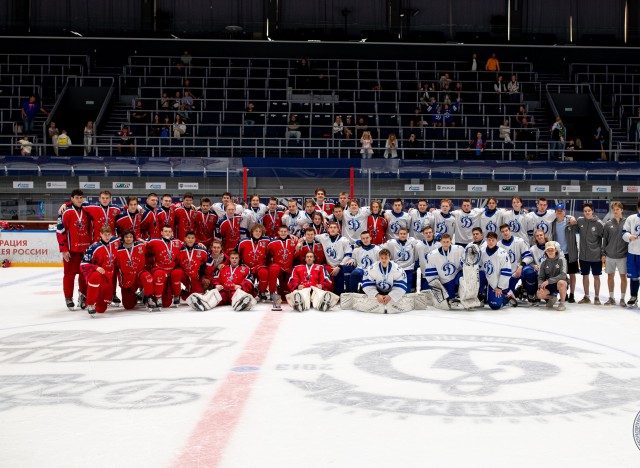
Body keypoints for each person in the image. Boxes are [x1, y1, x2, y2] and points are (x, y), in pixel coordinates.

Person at [187, 251, 256, 312]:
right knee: (214, 295)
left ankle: (241, 304)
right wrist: (216, 285)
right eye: (232, 258)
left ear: (239, 259)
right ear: (229, 259)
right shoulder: (223, 268)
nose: (234, 260)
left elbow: (249, 280)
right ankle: (202, 303)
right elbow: (215, 278)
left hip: (235, 291)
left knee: (239, 294)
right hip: (224, 291)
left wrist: (241, 286)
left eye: (236, 258)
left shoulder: (246, 268)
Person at [57, 189, 91, 310]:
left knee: (84, 274)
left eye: (81, 197)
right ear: (72, 199)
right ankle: (68, 297)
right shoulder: (66, 211)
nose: (79, 200)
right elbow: (60, 231)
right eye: (76, 198)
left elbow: (104, 206)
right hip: (71, 249)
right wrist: (64, 249)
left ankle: (82, 295)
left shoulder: (87, 209)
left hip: (86, 249)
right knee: (69, 275)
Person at [350, 248, 412, 314]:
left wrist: (391, 296)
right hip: (377, 290)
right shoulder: (372, 268)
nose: (384, 260)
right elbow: (367, 284)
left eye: (386, 258)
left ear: (389, 258)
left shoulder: (397, 269)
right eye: (382, 258)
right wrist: (376, 295)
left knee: (400, 298)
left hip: (391, 291)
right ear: (379, 258)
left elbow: (401, 285)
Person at [80, 225, 120, 316]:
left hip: (107, 276)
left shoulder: (114, 244)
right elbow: (83, 264)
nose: (107, 237)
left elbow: (128, 238)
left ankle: (91, 299)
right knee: (96, 276)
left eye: (109, 234)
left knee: (101, 309)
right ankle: (90, 303)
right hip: (96, 275)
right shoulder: (93, 247)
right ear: (100, 234)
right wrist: (95, 268)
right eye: (105, 234)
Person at [145, 225, 184, 308]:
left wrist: (198, 244)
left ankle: (177, 295)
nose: (168, 233)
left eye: (170, 231)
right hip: (159, 268)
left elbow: (188, 244)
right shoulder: (155, 241)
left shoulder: (177, 242)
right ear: (161, 233)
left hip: (171, 269)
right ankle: (158, 297)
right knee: (159, 273)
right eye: (166, 231)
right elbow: (144, 243)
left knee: (177, 272)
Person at [115, 229, 154, 311]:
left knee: (147, 277)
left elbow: (152, 247)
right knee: (128, 306)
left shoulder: (141, 245)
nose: (129, 239)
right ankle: (136, 296)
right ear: (123, 238)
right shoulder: (118, 249)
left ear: (134, 238)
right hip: (127, 278)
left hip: (139, 274)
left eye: (130, 237)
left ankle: (148, 297)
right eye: (126, 237)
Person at [574, 203, 604, 305]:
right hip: (583, 256)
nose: (587, 212)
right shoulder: (580, 221)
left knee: (596, 276)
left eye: (589, 211)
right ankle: (586, 296)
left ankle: (596, 297)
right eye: (585, 211)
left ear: (592, 211)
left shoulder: (599, 224)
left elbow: (604, 239)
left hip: (596, 256)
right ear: (583, 212)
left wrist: (603, 253)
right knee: (585, 276)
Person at [423, 233, 464, 303]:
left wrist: (461, 275)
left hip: (457, 276)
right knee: (448, 299)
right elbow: (431, 275)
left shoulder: (459, 250)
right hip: (444, 280)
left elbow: (467, 266)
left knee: (463, 279)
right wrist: (438, 287)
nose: (446, 244)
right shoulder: (432, 255)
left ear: (451, 241)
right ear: (440, 242)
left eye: (447, 242)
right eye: (444, 242)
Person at [498, 223, 536, 300]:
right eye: (503, 231)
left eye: (506, 230)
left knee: (529, 272)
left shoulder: (519, 241)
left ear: (510, 231)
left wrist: (521, 266)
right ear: (501, 233)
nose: (505, 233)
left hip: (519, 269)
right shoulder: (498, 245)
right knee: (508, 295)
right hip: (507, 274)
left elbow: (529, 257)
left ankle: (530, 293)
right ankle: (519, 291)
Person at [316, 222, 354, 295]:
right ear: (328, 229)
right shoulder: (324, 237)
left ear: (338, 230)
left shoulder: (344, 240)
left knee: (338, 291)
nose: (333, 229)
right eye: (331, 227)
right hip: (330, 266)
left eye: (335, 227)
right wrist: (301, 241)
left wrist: (339, 266)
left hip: (341, 266)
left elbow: (348, 255)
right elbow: (312, 236)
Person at [550, 203, 579, 303]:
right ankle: (564, 294)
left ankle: (572, 294)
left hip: (570, 252)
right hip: (559, 254)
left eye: (561, 210)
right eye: (557, 210)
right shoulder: (553, 223)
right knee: (561, 275)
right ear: (555, 212)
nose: (559, 211)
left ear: (564, 211)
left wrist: (573, 219)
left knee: (572, 274)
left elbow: (579, 224)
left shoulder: (570, 222)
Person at [237, 224, 273, 302]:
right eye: (256, 231)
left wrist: (289, 236)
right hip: (247, 266)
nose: (258, 233)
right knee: (248, 291)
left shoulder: (266, 240)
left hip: (260, 266)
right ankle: (250, 291)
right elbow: (236, 253)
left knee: (264, 272)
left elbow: (279, 240)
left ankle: (262, 291)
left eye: (260, 231)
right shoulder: (243, 241)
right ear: (252, 232)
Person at [479, 232, 513, 310]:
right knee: (479, 273)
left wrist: (499, 287)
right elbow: (479, 266)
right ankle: (482, 294)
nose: (491, 242)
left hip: (500, 284)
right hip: (489, 280)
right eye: (489, 240)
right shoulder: (482, 251)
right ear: (486, 240)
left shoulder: (502, 253)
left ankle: (507, 296)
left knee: (495, 305)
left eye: (493, 240)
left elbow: (507, 272)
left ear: (496, 241)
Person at [602, 201, 628, 306]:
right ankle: (611, 297)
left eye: (617, 209)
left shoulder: (627, 223)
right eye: (614, 209)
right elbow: (605, 241)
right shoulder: (608, 224)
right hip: (610, 255)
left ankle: (622, 298)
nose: (615, 211)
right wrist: (603, 253)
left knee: (623, 277)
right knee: (610, 277)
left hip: (623, 255)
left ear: (622, 210)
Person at [177, 231, 214, 299]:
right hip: (183, 277)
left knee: (198, 295)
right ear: (185, 239)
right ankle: (179, 291)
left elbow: (210, 264)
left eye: (192, 238)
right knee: (184, 297)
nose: (190, 240)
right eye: (188, 238)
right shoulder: (179, 249)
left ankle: (189, 289)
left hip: (194, 278)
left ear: (195, 239)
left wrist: (206, 277)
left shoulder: (202, 250)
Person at [267, 225, 298, 299]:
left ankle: (280, 289)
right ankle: (272, 292)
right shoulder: (272, 243)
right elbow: (268, 254)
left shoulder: (293, 240)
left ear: (288, 232)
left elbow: (303, 240)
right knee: (274, 269)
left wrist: (300, 242)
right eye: (281, 231)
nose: (283, 233)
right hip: (278, 268)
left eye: (285, 231)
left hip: (288, 269)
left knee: (284, 297)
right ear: (278, 232)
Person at [537, 242, 568, 310]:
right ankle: (553, 298)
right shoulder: (543, 262)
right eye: (548, 250)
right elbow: (541, 277)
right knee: (539, 294)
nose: (550, 251)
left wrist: (549, 281)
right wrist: (540, 286)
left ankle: (562, 303)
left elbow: (563, 275)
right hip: (550, 284)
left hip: (560, 282)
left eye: (552, 249)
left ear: (556, 250)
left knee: (561, 283)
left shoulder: (561, 259)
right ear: (546, 252)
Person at [622, 200, 640, 306]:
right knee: (634, 277)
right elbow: (624, 232)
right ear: (638, 208)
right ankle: (634, 296)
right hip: (633, 253)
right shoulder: (631, 219)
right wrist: (629, 237)